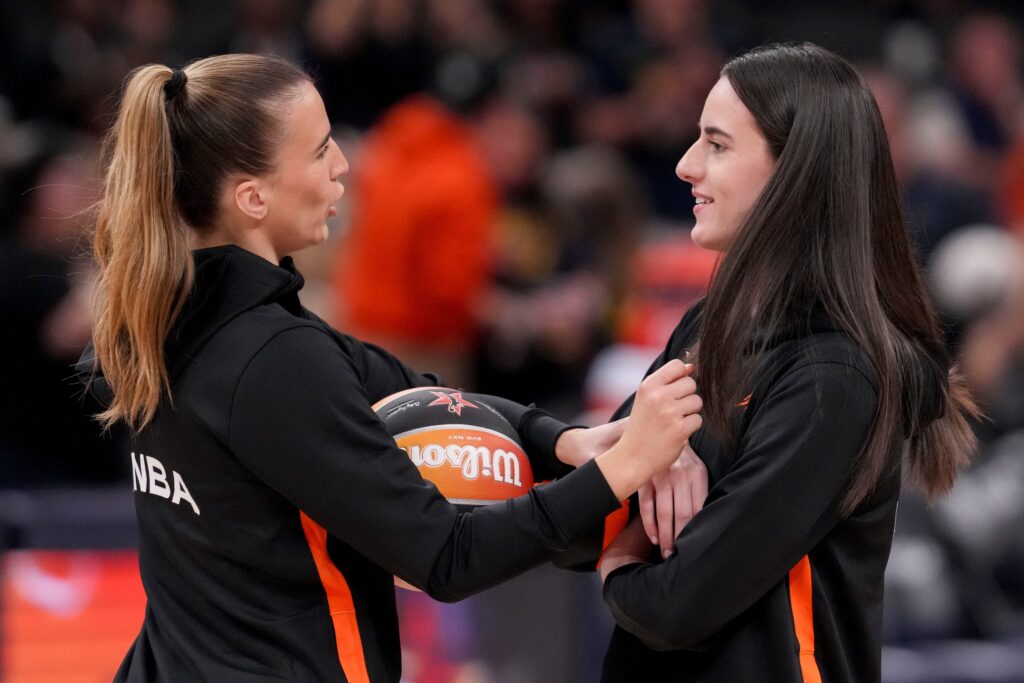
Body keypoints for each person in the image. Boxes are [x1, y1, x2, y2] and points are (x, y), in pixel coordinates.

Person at [78, 54, 704, 682]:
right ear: (253, 197)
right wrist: (621, 469)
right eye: (320, 150)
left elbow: (413, 391)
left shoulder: (162, 316)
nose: (342, 165)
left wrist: (565, 440)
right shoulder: (270, 358)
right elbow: (447, 556)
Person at [596, 43, 978, 683]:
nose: (687, 166)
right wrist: (659, 453)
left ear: (794, 172)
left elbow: (676, 604)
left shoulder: (835, 379)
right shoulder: (705, 325)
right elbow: (586, 503)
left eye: (717, 145)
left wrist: (618, 561)